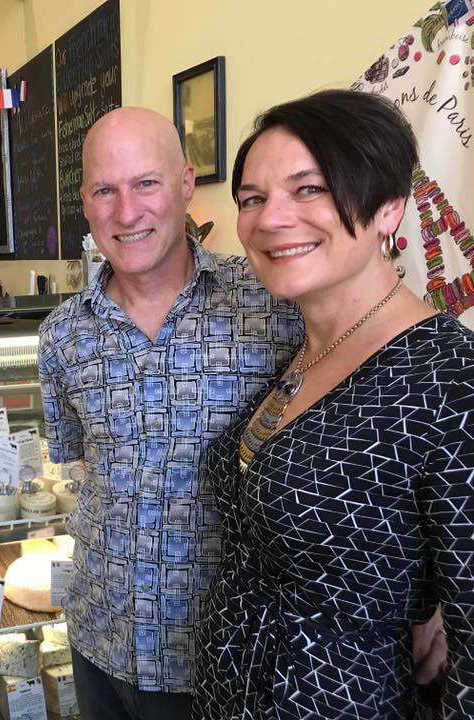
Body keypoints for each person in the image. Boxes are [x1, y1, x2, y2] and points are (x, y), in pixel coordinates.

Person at [192, 90, 474, 718]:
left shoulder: (450, 376)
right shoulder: (305, 348)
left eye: (310, 189)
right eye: (252, 199)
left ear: (389, 208)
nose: (270, 219)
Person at [38, 107, 305, 719]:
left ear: (186, 184)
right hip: (99, 637)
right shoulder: (61, 337)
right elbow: (83, 468)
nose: (126, 212)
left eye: (146, 183)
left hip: (229, 658)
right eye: (105, 190)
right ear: (85, 203)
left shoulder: (274, 306)